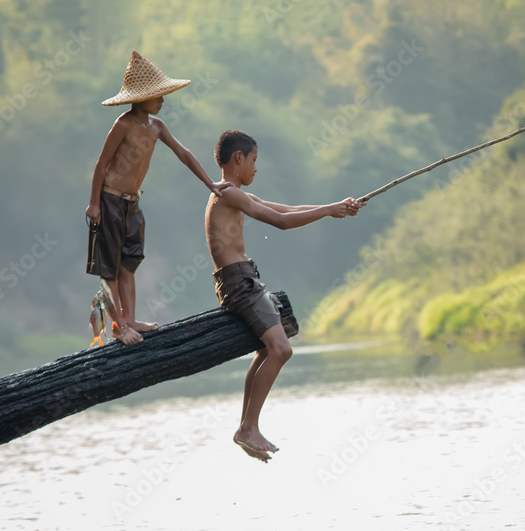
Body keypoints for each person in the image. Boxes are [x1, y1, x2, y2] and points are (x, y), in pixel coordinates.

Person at [206, 130, 363, 462]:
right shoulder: (228, 194)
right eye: (254, 161)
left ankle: (246, 427)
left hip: (243, 280)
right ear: (238, 159)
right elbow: (281, 221)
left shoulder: (232, 193)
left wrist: (334, 208)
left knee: (267, 348)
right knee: (281, 349)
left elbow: (287, 208)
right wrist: (328, 210)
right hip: (239, 283)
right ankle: (248, 427)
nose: (256, 168)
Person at [86, 51, 230, 345]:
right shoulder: (123, 125)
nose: (162, 101)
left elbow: (184, 154)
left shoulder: (156, 127)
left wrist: (210, 183)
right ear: (141, 99)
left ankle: (130, 318)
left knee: (129, 263)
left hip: (132, 203)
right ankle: (118, 325)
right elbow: (101, 165)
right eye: (157, 96)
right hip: (111, 200)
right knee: (110, 268)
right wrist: (94, 203)